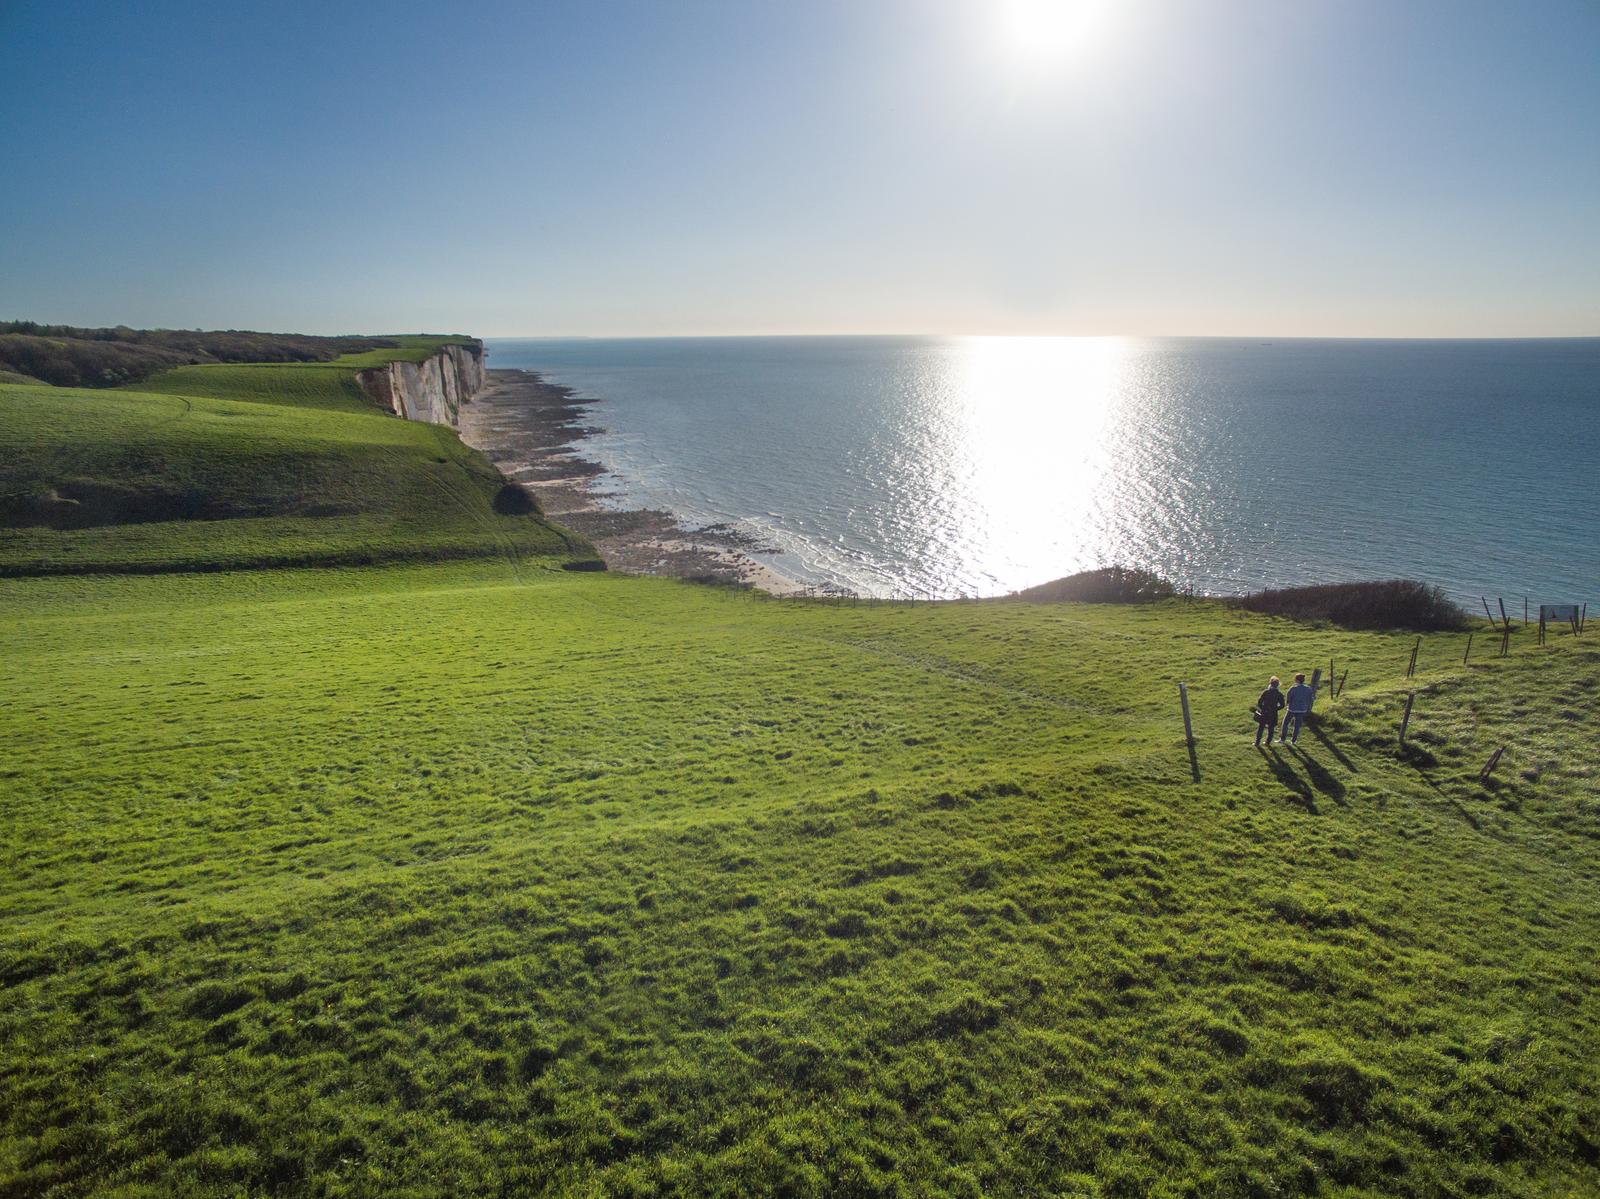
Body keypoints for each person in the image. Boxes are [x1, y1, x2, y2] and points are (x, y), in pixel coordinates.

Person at [1281, 672, 1315, 744]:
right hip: (1302, 709)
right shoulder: (1308, 689)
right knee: (1297, 725)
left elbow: (1289, 697)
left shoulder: (1293, 688)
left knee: (1285, 723)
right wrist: (1307, 706)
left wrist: (1287, 703)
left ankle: (1283, 739)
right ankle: (1294, 741)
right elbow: (1311, 699)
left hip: (1292, 709)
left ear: (1297, 680)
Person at [1254, 676, 1285, 747]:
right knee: (1271, 728)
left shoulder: (1266, 692)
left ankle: (1257, 742)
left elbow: (1259, 702)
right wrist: (1275, 709)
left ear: (1270, 684)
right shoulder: (1279, 694)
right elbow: (1282, 705)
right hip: (1273, 713)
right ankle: (1268, 742)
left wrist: (1262, 708)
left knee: (1261, 727)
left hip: (1265, 712)